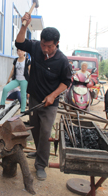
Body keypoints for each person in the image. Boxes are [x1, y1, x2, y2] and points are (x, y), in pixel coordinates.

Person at [15, 13, 72, 181]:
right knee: (36, 130)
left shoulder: (62, 61)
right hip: (35, 99)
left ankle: (41, 165)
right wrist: (24, 25)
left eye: (49, 46)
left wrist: (52, 95)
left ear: (57, 44)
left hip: (50, 103)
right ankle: (40, 154)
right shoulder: (35, 48)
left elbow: (66, 82)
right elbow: (19, 42)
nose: (45, 49)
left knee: (46, 132)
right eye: (43, 45)